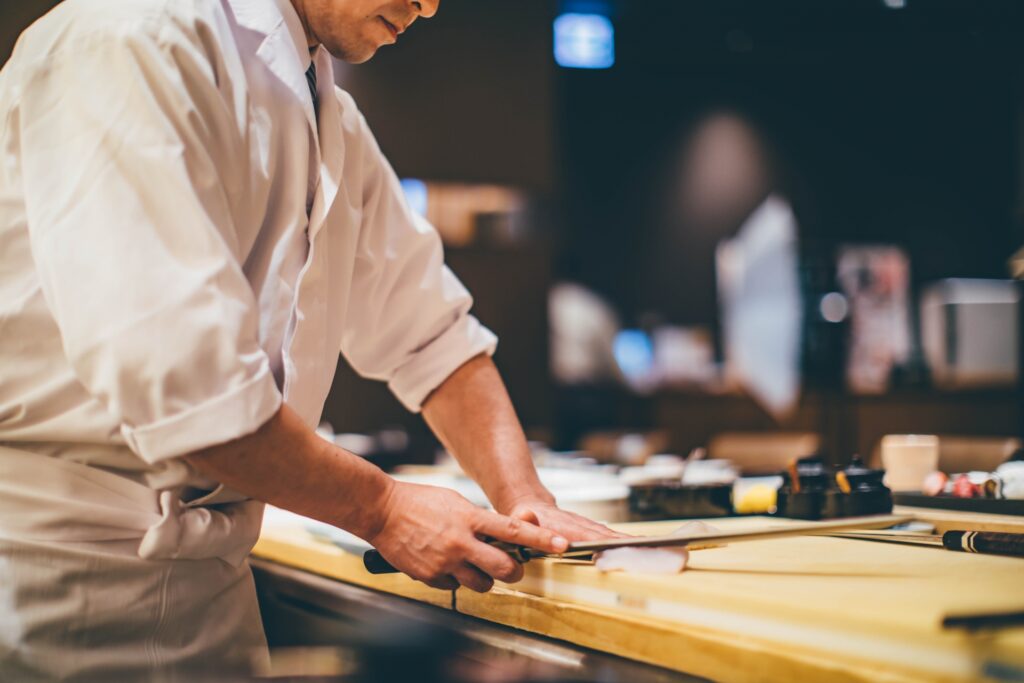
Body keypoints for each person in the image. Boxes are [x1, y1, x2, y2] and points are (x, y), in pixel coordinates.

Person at [0, 0, 616, 678]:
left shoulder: (327, 110)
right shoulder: (127, 38)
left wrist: (522, 494)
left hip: (213, 603)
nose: (431, 5)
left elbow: (434, 337)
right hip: (57, 596)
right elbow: (187, 392)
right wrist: (383, 508)